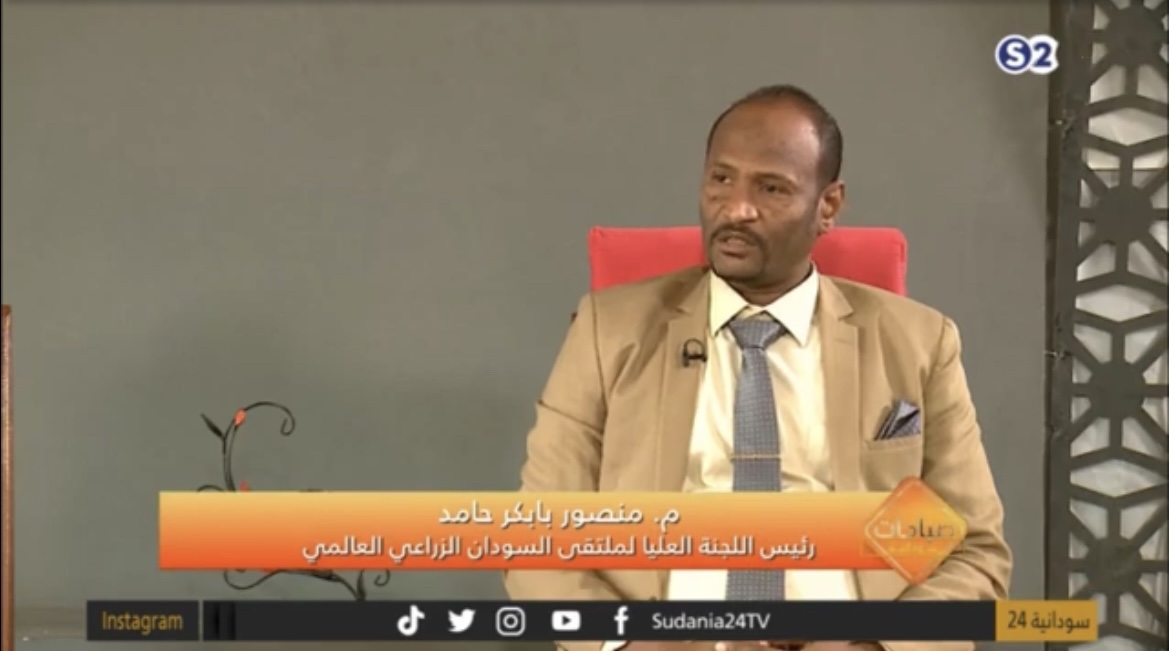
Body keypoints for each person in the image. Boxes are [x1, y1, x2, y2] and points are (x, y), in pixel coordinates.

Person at [503, 84, 1012, 651]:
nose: (736, 208)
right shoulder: (609, 332)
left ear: (828, 206)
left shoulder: (919, 342)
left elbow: (973, 550)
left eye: (771, 188)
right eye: (721, 179)